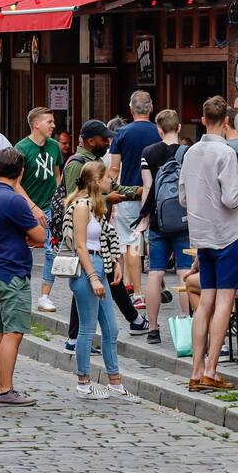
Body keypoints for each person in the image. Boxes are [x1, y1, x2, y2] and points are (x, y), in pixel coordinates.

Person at [178, 96, 238, 392]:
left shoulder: (191, 152)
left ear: (203, 120)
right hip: (226, 232)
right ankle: (211, 369)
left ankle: (195, 370)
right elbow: (230, 198)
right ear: (227, 122)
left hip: (201, 233)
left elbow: (183, 197)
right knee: (224, 300)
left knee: (205, 300)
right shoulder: (226, 152)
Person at [59, 118, 147, 350]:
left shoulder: (96, 161)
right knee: (86, 281)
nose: (108, 142)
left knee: (105, 276)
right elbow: (75, 198)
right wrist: (108, 199)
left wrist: (135, 192)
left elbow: (114, 188)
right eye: (103, 138)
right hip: (85, 234)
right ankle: (76, 338)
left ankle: (130, 321)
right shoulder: (77, 164)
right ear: (90, 141)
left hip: (99, 231)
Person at [0, 147, 45, 407]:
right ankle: (6, 389)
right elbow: (39, 236)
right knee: (13, 333)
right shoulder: (14, 200)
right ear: (20, 172)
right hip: (11, 273)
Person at [64, 159, 133, 399]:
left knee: (111, 329)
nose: (110, 182)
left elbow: (104, 238)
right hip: (87, 268)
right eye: (106, 178)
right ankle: (83, 382)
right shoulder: (81, 206)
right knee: (87, 328)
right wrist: (93, 277)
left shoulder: (96, 205)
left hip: (99, 264)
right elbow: (81, 246)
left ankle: (114, 381)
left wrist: (114, 262)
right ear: (96, 181)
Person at [136, 109, 188, 344]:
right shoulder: (189, 152)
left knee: (156, 272)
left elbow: (147, 188)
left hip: (158, 219)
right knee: (185, 273)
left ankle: (153, 328)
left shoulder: (149, 152)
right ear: (179, 128)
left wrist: (144, 217)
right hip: (185, 220)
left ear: (159, 129)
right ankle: (189, 324)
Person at [107, 90, 160, 316]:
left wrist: (108, 192)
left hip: (129, 194)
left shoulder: (121, 133)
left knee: (131, 243)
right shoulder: (158, 132)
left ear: (131, 109)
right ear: (151, 108)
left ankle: (138, 293)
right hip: (156, 195)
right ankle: (158, 286)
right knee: (154, 240)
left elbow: (114, 168)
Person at [14, 107, 60, 313]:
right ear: (36, 124)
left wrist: (58, 199)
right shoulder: (22, 148)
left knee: (51, 251)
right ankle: (19, 292)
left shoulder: (54, 146)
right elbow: (15, 183)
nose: (53, 125)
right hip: (26, 208)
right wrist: (32, 207)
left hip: (49, 207)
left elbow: (57, 175)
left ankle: (44, 295)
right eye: (49, 121)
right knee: (22, 250)